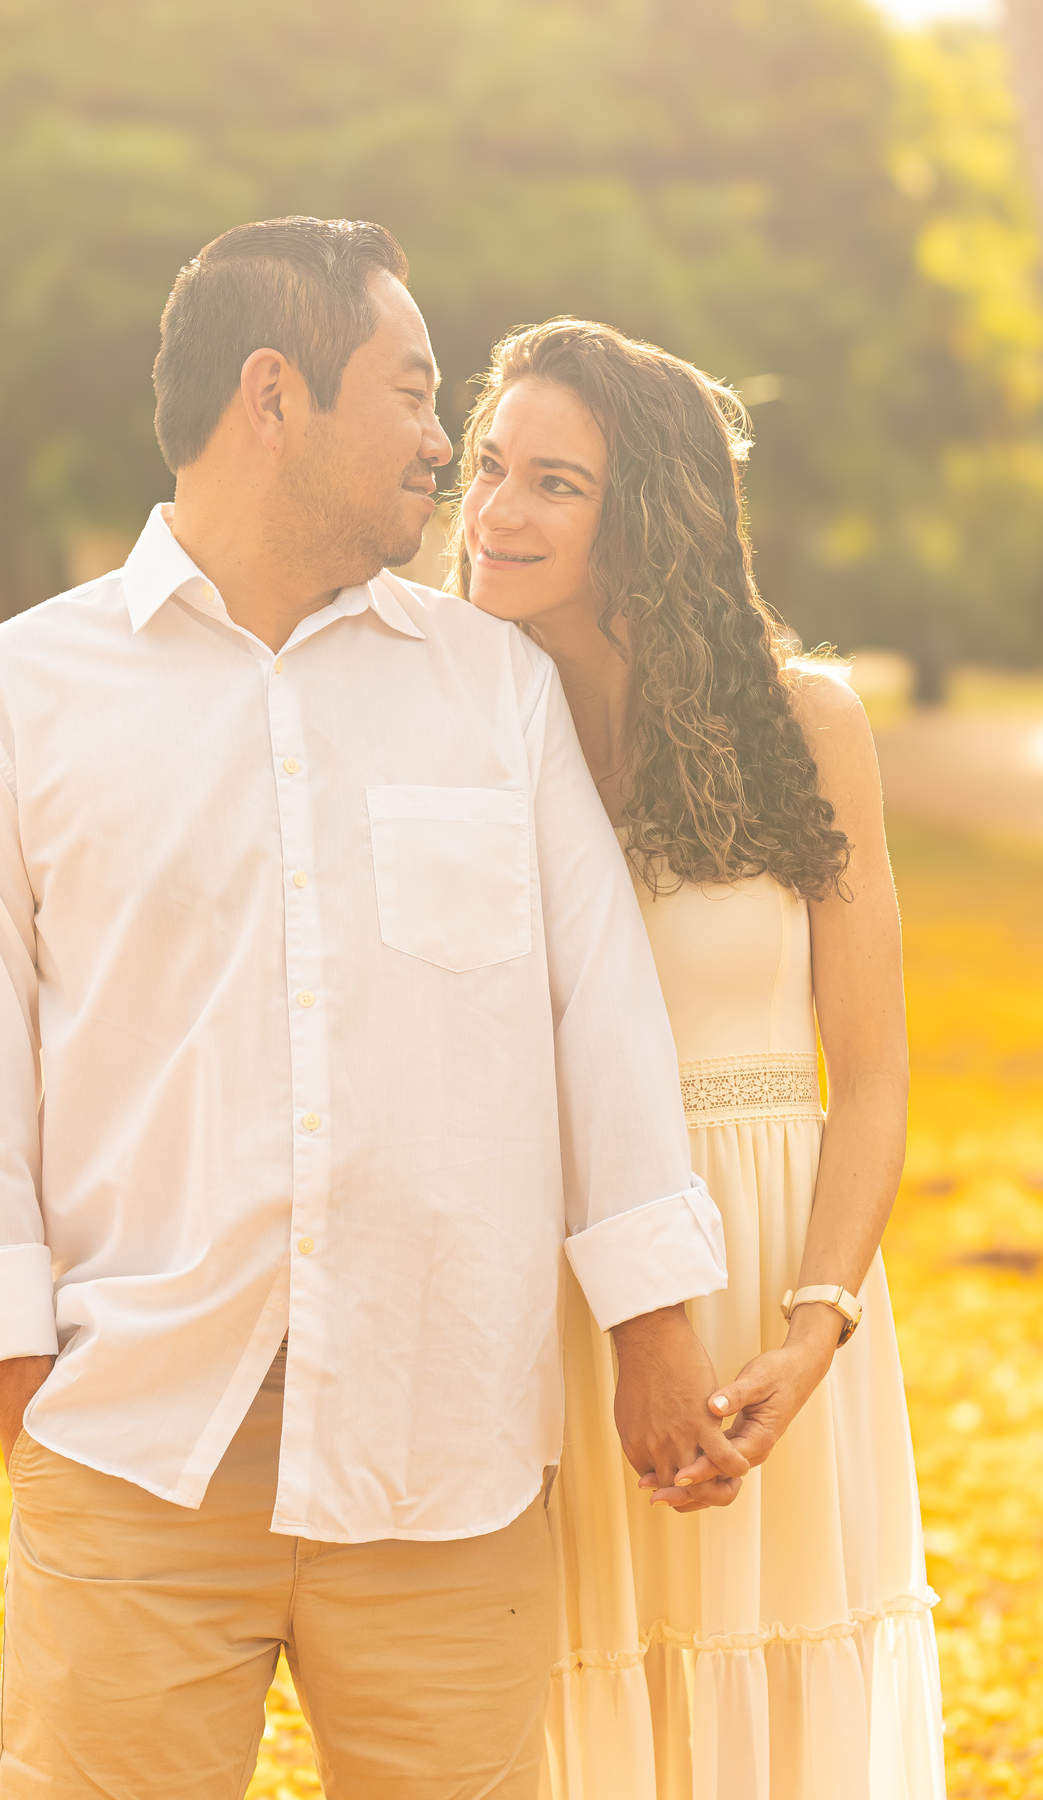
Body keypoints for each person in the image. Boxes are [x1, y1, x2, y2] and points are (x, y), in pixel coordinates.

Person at [0, 220, 744, 1800]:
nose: (447, 445)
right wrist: (28, 1389)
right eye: (414, 395)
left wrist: (651, 1326)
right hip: (138, 1452)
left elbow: (596, 1012)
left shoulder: (492, 691)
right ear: (272, 396)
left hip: (447, 1457)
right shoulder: (7, 705)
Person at [455, 319, 947, 1800]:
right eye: (487, 468)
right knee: (568, 1703)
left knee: (776, 1700)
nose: (493, 513)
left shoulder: (807, 724)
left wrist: (815, 1328)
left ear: (650, 510)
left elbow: (867, 1075)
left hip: (776, 1295)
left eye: (556, 482)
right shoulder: (461, 730)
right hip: (550, 1293)